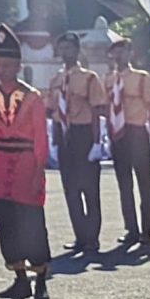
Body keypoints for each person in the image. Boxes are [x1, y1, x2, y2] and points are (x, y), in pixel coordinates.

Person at [0, 25, 52, 299]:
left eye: (8, 64)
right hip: (2, 169)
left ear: (18, 66)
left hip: (25, 167)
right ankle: (20, 278)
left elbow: (40, 138)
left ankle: (41, 281)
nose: (3, 69)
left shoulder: (33, 97)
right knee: (8, 225)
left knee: (32, 225)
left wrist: (38, 171)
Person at [49, 31, 108, 261]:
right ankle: (80, 236)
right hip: (65, 135)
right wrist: (55, 140)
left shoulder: (89, 78)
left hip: (84, 134)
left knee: (89, 190)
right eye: (62, 48)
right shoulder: (56, 79)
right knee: (71, 189)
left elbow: (96, 111)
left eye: (70, 48)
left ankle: (92, 237)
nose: (66, 53)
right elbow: (53, 111)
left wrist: (96, 142)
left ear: (77, 50)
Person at [103, 34, 150, 248]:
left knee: (145, 182)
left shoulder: (141, 77)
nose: (119, 54)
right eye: (116, 51)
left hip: (136, 131)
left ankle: (147, 229)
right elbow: (106, 107)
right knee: (124, 184)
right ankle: (131, 228)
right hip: (119, 134)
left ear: (130, 53)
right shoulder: (108, 79)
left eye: (123, 50)